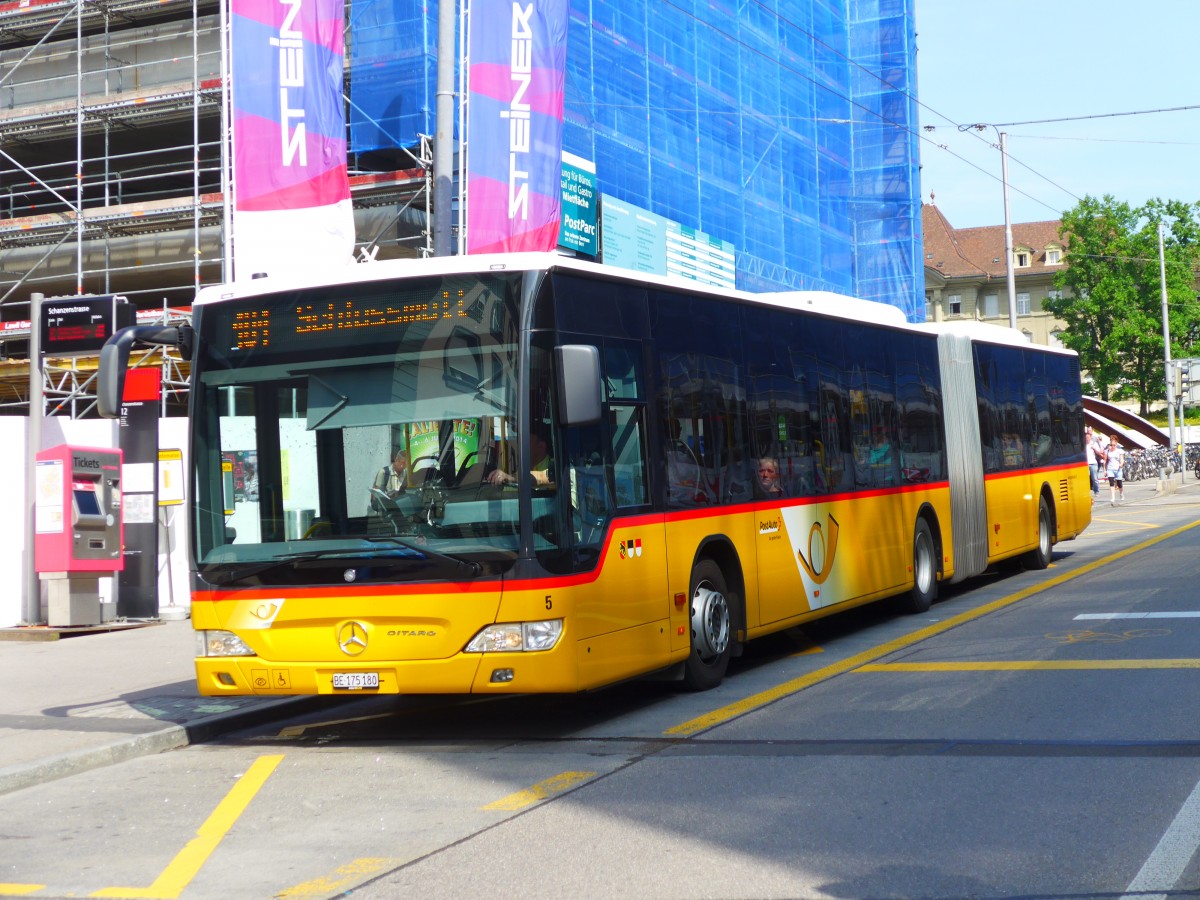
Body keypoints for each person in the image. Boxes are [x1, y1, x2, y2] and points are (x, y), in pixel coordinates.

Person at [487, 430, 553, 487]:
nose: (520, 446)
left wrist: (509, 477)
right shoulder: (523, 468)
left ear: (541, 447)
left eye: (525, 441)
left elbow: (543, 477)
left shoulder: (554, 467)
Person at [1105, 434, 1126, 506]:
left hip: (1118, 469)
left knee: (1119, 483)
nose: (1112, 446)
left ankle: (1121, 493)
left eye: (1114, 445)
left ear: (1116, 444)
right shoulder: (1107, 451)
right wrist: (1105, 470)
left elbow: (1122, 459)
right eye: (1111, 445)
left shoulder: (1119, 451)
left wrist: (1121, 464)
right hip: (1110, 468)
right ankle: (1113, 497)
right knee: (1111, 483)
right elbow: (1105, 461)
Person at [1084, 426, 1100, 501]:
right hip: (1085, 464)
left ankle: (1096, 491)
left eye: (1088, 438)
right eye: (1086, 438)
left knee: (1094, 478)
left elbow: (1099, 452)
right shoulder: (1083, 445)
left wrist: (1094, 448)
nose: (1087, 439)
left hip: (1093, 463)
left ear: (1090, 438)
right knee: (1086, 479)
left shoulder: (1093, 444)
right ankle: (1087, 492)